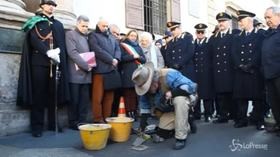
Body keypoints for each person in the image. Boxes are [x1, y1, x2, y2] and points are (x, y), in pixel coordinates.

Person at [17, 0, 69, 137]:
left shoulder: (58, 24)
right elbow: (33, 40)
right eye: (49, 4)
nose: (51, 7)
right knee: (39, 95)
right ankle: (37, 126)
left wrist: (59, 55)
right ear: (42, 6)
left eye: (53, 5)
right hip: (39, 63)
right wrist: (47, 52)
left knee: (54, 95)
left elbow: (61, 43)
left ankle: (53, 124)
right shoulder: (35, 21)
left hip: (55, 64)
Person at [132, 62, 198, 150]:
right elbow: (145, 108)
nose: (146, 91)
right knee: (163, 132)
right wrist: (142, 128)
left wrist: (173, 93)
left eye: (147, 88)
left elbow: (192, 87)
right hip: (169, 108)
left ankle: (181, 138)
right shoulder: (145, 90)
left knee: (179, 100)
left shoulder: (169, 74)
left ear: (153, 82)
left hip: (186, 99)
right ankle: (187, 123)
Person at [231, 10, 265, 130]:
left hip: (254, 71)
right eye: (239, 21)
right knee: (241, 97)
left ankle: (259, 120)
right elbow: (233, 53)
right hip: (241, 71)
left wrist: (250, 65)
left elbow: (260, 52)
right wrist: (240, 65)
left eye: (242, 20)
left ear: (250, 20)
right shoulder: (237, 37)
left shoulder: (260, 35)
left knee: (258, 98)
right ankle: (242, 119)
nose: (240, 23)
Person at [208, 12, 240, 123]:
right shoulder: (213, 38)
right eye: (219, 21)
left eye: (223, 21)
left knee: (232, 94)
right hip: (218, 71)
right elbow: (210, 56)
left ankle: (235, 114)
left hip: (230, 70)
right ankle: (222, 115)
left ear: (228, 22)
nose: (221, 23)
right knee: (220, 94)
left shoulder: (235, 35)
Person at [88, 18, 121, 123]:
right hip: (100, 71)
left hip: (111, 70)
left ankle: (106, 118)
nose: (105, 28)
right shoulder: (93, 35)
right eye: (103, 26)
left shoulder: (111, 37)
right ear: (98, 25)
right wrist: (111, 60)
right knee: (97, 97)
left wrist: (116, 59)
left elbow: (117, 49)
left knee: (109, 97)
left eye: (107, 26)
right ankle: (98, 119)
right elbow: (97, 50)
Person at [65, 15, 93, 130]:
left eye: (87, 26)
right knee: (74, 100)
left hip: (87, 74)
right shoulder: (70, 34)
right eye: (83, 26)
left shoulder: (87, 37)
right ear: (77, 24)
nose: (85, 28)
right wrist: (86, 66)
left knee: (84, 100)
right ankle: (73, 122)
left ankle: (82, 121)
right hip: (75, 74)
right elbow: (72, 53)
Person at [262, 6, 280, 137]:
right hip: (269, 75)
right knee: (274, 103)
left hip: (279, 74)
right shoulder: (268, 33)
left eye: (269, 17)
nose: (267, 20)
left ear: (278, 16)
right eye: (265, 18)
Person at [120, 30, 146, 118]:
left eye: (135, 36)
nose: (133, 37)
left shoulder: (138, 47)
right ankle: (128, 111)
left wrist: (138, 57)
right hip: (128, 72)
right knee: (128, 93)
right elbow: (121, 58)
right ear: (128, 36)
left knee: (136, 93)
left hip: (138, 72)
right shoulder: (123, 45)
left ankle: (135, 111)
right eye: (131, 35)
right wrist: (132, 57)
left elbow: (144, 60)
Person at [192, 23, 215, 122]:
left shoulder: (209, 43)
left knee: (207, 95)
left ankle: (208, 114)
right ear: (196, 33)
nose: (200, 34)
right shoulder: (193, 44)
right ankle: (196, 113)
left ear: (205, 33)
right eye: (198, 32)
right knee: (196, 94)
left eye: (202, 32)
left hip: (206, 72)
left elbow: (212, 58)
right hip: (196, 72)